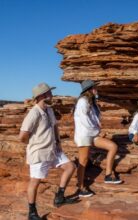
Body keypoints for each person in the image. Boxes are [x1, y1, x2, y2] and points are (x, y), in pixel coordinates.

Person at [19, 83, 77, 220]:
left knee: (70, 167)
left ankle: (59, 197)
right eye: (49, 93)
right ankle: (32, 213)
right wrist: (34, 144)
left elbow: (55, 126)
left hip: (54, 149)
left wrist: (58, 142)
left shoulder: (49, 110)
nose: (52, 95)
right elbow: (22, 136)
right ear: (42, 96)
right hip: (39, 152)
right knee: (35, 182)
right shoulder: (33, 114)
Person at [73, 80, 122, 198]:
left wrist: (97, 129)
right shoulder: (82, 102)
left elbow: (94, 120)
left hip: (92, 135)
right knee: (83, 161)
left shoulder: (91, 102)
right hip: (84, 135)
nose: (96, 89)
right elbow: (85, 121)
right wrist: (97, 130)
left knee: (112, 146)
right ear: (89, 90)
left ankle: (108, 175)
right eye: (95, 87)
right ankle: (80, 187)